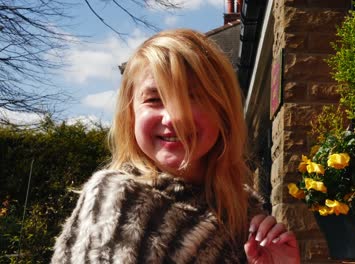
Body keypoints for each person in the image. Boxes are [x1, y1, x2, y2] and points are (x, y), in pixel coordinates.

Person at [51, 29, 300, 264]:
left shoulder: (246, 219)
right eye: (154, 99)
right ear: (130, 114)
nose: (173, 118)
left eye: (193, 97)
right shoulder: (115, 201)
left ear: (223, 112)